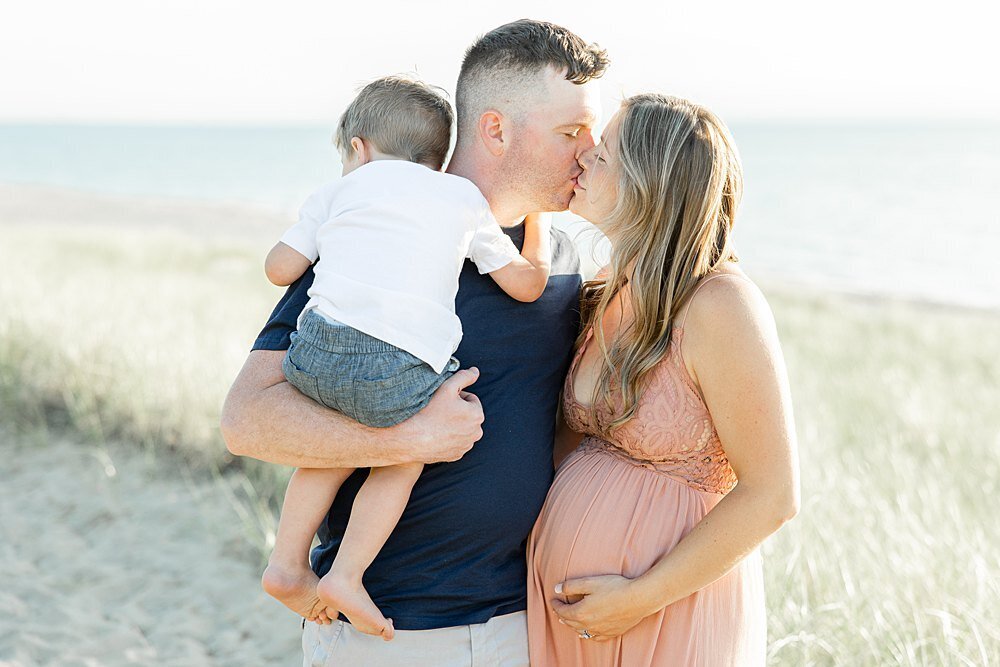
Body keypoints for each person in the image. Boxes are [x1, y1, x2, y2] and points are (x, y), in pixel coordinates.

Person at [220, 19, 608, 666]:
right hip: (385, 635)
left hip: (521, 628)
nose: (591, 150)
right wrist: (407, 438)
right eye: (571, 132)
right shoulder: (374, 235)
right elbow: (246, 421)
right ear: (495, 129)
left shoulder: (564, 263)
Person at [259, 74, 552, 641]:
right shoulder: (461, 197)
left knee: (330, 447)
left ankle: (287, 562)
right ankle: (345, 573)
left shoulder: (338, 191)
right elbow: (525, 284)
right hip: (401, 368)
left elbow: (279, 271)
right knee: (405, 452)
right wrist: (536, 229)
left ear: (357, 148)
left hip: (316, 354)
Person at [526, 94, 800, 665]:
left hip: (669, 615)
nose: (582, 161)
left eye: (601, 154)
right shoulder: (606, 289)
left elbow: (772, 494)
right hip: (572, 622)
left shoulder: (721, 304)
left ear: (647, 183)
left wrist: (638, 598)